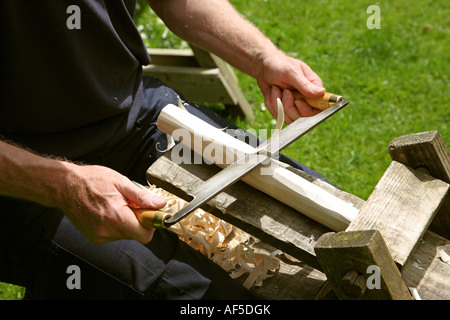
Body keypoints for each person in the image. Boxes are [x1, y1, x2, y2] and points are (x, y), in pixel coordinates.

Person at [0, 0, 328, 299]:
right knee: (212, 297)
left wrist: (261, 57)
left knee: (329, 227)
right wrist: (63, 186)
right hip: (22, 187)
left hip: (134, 113)